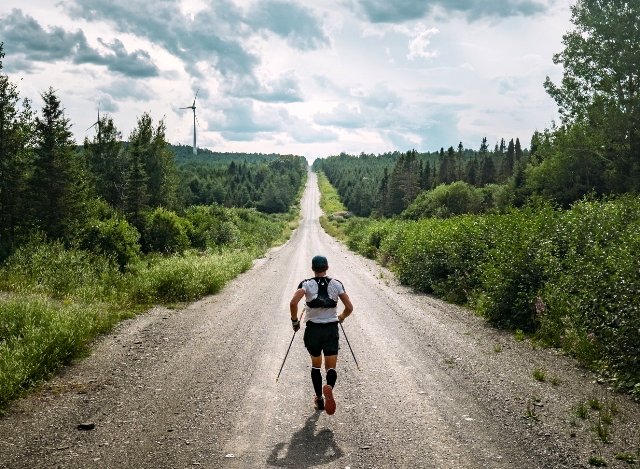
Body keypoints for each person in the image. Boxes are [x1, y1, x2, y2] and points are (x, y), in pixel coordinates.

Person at [289, 255, 353, 415]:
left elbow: (293, 303)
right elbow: (349, 307)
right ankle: (329, 386)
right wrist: (341, 317)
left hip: (313, 331)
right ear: (327, 267)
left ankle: (319, 399)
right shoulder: (336, 284)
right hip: (331, 329)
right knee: (330, 367)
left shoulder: (306, 284)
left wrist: (295, 321)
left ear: (313, 268)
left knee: (316, 365)